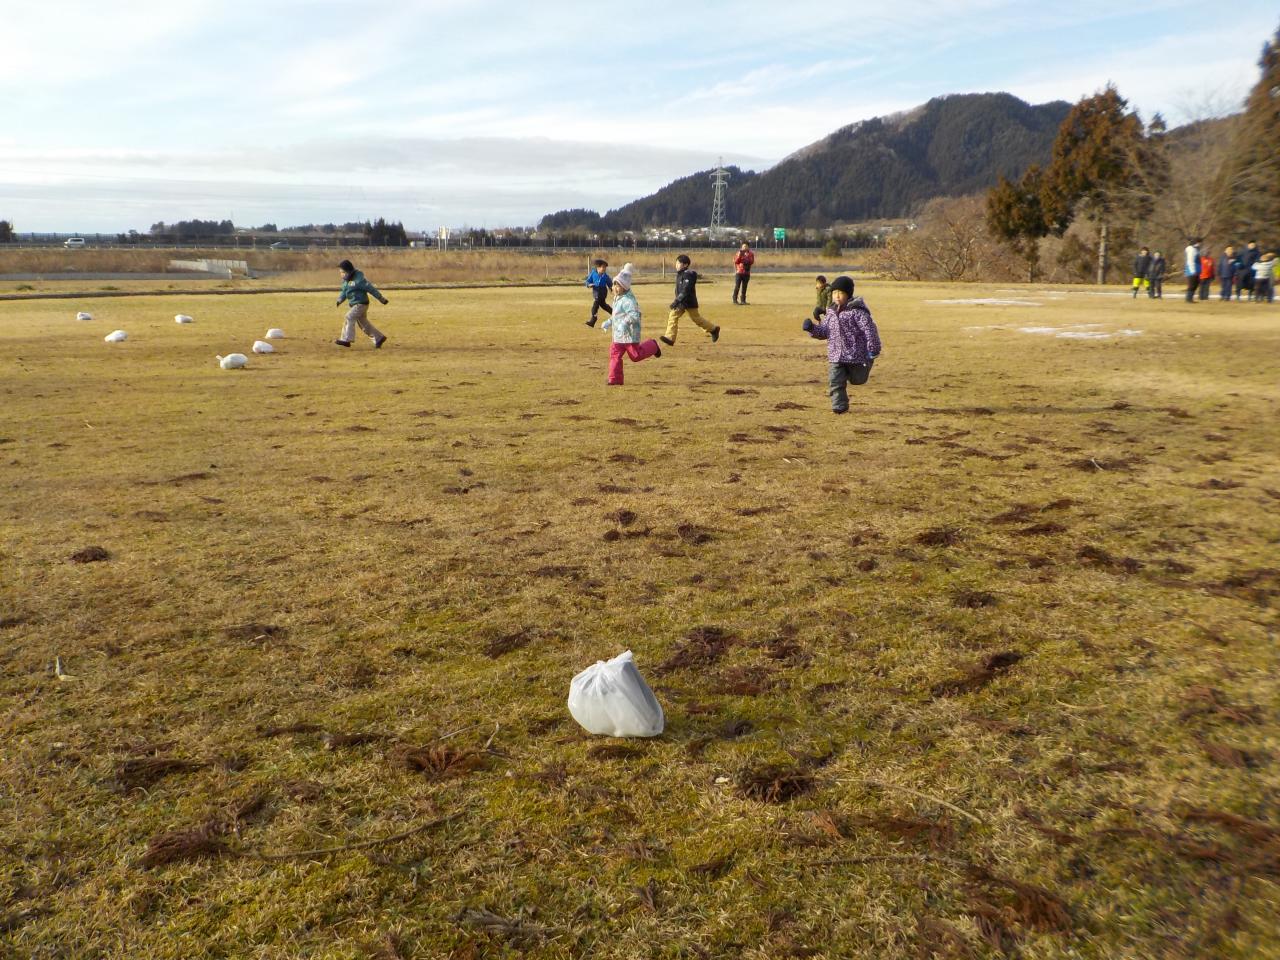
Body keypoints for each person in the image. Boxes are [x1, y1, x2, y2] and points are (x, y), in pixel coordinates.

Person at [801, 275, 881, 415]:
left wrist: (873, 349)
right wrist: (811, 328)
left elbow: (869, 330)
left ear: (848, 295)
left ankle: (867, 363)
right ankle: (839, 405)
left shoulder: (857, 312)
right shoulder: (831, 312)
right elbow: (824, 331)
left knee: (858, 380)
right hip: (836, 355)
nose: (837, 296)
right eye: (835, 293)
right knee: (835, 381)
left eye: (841, 293)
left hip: (856, 354)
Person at [600, 263, 661, 385]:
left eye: (618, 285)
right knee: (614, 355)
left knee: (635, 356)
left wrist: (624, 324)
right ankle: (615, 379)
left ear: (625, 287)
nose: (615, 288)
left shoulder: (629, 300)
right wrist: (608, 322)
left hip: (629, 335)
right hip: (617, 336)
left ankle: (653, 345)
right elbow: (616, 316)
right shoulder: (617, 299)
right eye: (614, 285)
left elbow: (634, 315)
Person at [661, 254, 719, 346]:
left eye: (678, 263)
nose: (676, 265)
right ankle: (670, 338)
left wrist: (677, 301)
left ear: (685, 265)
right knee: (673, 316)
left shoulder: (688, 274)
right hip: (681, 302)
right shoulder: (679, 275)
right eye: (676, 263)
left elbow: (686, 289)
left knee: (697, 319)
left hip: (688, 302)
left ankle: (713, 329)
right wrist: (678, 300)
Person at [334, 259, 389, 348]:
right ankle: (378, 338)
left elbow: (371, 289)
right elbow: (344, 292)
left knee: (349, 316)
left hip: (361, 304)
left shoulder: (359, 280)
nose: (341, 274)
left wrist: (381, 298)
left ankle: (346, 339)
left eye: (342, 272)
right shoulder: (346, 282)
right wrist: (340, 300)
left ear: (348, 271)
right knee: (364, 324)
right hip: (355, 305)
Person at [584, 258, 612, 328]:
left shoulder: (605, 276)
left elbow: (610, 283)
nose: (604, 269)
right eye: (603, 267)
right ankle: (616, 314)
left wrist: (611, 288)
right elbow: (587, 281)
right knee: (604, 305)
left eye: (605, 268)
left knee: (595, 305)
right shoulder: (593, 273)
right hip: (596, 291)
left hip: (602, 293)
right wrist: (589, 285)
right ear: (598, 267)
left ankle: (593, 320)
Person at [1184, 239, 1201, 303]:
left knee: (1194, 285)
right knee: (1192, 285)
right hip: (1192, 271)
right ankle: (1189, 299)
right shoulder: (1192, 250)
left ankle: (1190, 298)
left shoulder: (1195, 250)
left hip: (1195, 271)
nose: (1199, 244)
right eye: (1198, 243)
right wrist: (1193, 271)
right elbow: (1190, 261)